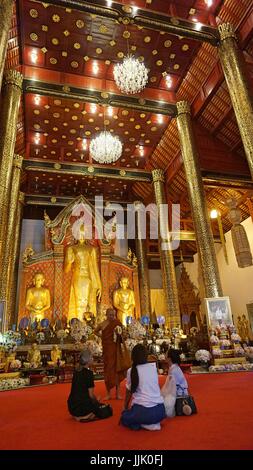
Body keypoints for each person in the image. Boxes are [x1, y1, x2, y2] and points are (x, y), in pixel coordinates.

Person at [120, 344, 165, 431]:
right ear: (146, 356)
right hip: (161, 411)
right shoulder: (153, 367)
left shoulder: (131, 371)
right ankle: (150, 422)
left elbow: (128, 392)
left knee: (124, 417)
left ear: (132, 357)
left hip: (143, 411)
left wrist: (124, 407)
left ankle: (144, 423)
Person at [64, 223, 102, 321]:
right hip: (78, 277)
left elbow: (95, 267)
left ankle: (86, 326)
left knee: (87, 302)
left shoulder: (91, 249)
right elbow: (66, 270)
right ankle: (77, 324)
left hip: (88, 278)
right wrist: (70, 262)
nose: (81, 236)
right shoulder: (71, 249)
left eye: (84, 234)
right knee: (79, 302)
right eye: (79, 234)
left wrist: (99, 285)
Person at [94, 308, 128, 399]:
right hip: (107, 350)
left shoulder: (117, 323)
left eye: (113, 315)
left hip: (115, 349)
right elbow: (95, 331)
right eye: (110, 315)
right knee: (108, 371)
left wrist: (119, 334)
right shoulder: (102, 324)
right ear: (106, 314)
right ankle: (108, 393)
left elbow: (124, 335)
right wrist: (103, 336)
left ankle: (118, 393)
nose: (112, 317)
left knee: (117, 370)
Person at [67, 349, 101, 422]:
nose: (93, 359)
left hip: (72, 405)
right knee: (100, 408)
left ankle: (78, 416)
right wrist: (96, 401)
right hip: (82, 407)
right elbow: (91, 395)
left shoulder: (76, 371)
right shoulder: (89, 374)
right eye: (91, 357)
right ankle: (85, 416)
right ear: (88, 361)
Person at [161, 349, 189, 417]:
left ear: (169, 358)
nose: (164, 356)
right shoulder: (173, 367)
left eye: (166, 355)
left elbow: (172, 387)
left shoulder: (174, 370)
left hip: (179, 394)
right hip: (176, 390)